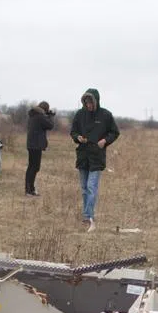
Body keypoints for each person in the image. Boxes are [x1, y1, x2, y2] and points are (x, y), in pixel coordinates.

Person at [70, 88, 120, 232]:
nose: (88, 105)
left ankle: (89, 216)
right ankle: (87, 216)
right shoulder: (80, 115)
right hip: (83, 155)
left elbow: (115, 132)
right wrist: (77, 137)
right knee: (85, 189)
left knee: (92, 187)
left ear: (96, 101)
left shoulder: (106, 115)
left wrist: (105, 140)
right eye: (86, 102)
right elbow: (73, 131)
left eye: (90, 102)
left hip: (97, 156)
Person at [25, 101, 55, 196]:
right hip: (36, 145)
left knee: (31, 167)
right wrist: (50, 116)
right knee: (35, 167)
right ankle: (30, 190)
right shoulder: (40, 116)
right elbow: (50, 125)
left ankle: (29, 189)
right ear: (45, 109)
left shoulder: (32, 115)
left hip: (31, 144)